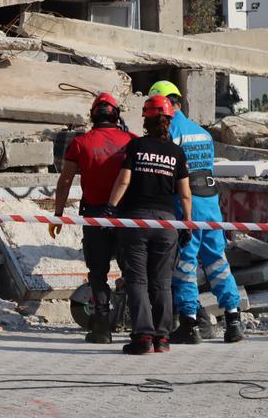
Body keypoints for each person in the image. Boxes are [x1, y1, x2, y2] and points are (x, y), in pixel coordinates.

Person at [148, 80, 244, 343]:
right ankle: (234, 319)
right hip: (211, 205)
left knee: (186, 264)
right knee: (217, 262)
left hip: (185, 206)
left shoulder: (170, 132)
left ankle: (189, 324)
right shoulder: (203, 133)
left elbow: (167, 173)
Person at [107, 95, 192, 355]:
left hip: (137, 222)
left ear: (146, 119)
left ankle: (143, 337)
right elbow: (185, 194)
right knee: (163, 281)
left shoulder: (136, 146)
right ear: (168, 119)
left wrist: (109, 210)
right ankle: (162, 338)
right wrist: (186, 224)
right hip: (167, 224)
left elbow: (123, 181)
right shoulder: (177, 153)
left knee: (138, 280)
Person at [49, 93, 136, 343]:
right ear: (117, 115)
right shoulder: (132, 141)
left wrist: (57, 214)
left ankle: (101, 326)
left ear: (92, 116)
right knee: (132, 270)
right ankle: (136, 323)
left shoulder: (80, 143)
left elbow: (65, 180)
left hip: (94, 217)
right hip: (126, 217)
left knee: (97, 272)